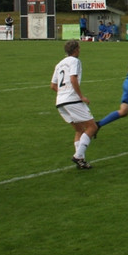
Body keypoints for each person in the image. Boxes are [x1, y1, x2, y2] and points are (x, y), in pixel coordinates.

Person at [50, 40, 97, 169]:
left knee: (79, 130)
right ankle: (78, 156)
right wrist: (81, 96)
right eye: (79, 48)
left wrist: (63, 93)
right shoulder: (75, 61)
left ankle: (81, 160)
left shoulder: (59, 64)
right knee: (92, 127)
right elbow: (73, 78)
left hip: (60, 101)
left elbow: (53, 85)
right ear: (76, 50)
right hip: (72, 100)